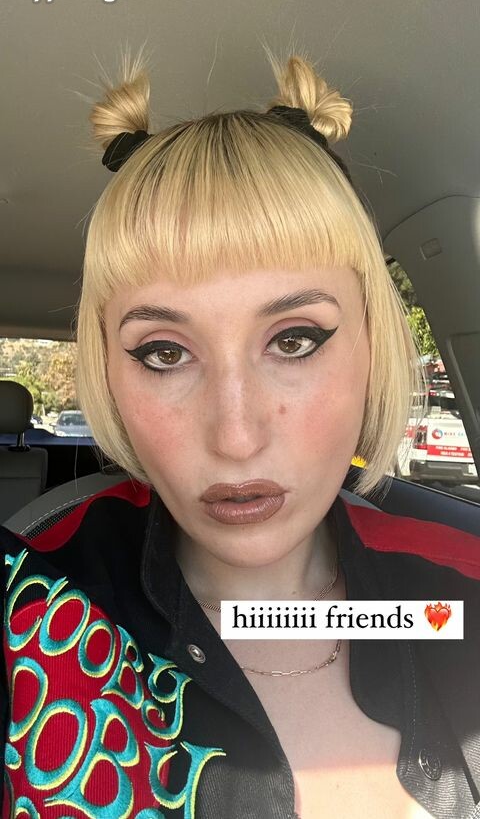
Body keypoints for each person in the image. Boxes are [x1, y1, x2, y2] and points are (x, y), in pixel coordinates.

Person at [0, 49, 479, 819]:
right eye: (164, 352)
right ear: (110, 372)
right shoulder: (31, 604)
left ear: (371, 343)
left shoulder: (460, 582)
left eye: (294, 339)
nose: (236, 435)